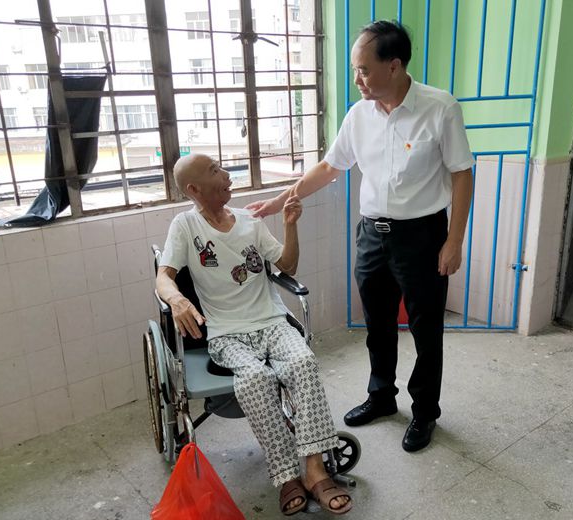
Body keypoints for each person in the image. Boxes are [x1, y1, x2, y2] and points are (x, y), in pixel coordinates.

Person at [247, 20, 474, 453]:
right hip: (372, 235)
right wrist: (280, 200)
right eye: (355, 70)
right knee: (377, 324)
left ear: (394, 65)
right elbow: (330, 167)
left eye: (363, 70)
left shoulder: (440, 108)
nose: (357, 80)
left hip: (423, 236)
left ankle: (425, 411)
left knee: (426, 330)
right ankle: (381, 396)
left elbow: (462, 174)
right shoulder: (359, 115)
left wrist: (454, 241)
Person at [156, 154, 352, 516]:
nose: (227, 175)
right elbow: (163, 276)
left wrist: (290, 225)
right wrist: (177, 299)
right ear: (194, 190)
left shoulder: (250, 221)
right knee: (255, 380)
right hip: (227, 334)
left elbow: (287, 265)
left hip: (273, 321)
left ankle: (314, 470)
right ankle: (286, 476)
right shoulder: (185, 226)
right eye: (215, 171)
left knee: (304, 362)